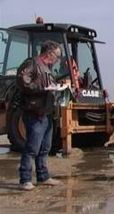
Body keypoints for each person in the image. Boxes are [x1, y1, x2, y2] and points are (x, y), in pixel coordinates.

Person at [16, 40, 63, 191]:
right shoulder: (32, 64)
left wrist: (59, 87)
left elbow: (48, 86)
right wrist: (42, 87)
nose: (57, 59)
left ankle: (43, 177)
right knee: (32, 147)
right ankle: (25, 179)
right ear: (49, 53)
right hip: (35, 112)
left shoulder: (47, 68)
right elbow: (23, 81)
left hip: (47, 113)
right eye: (57, 56)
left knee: (45, 147)